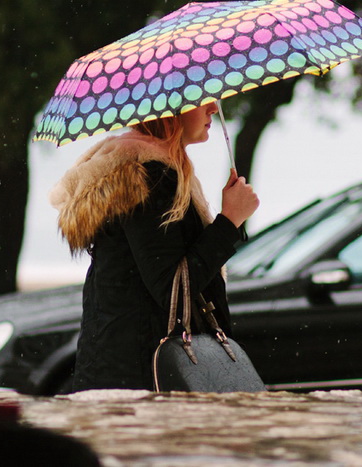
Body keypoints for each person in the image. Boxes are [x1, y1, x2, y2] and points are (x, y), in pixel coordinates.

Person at [49, 102, 259, 391]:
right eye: (201, 99)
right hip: (142, 379)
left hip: (127, 369)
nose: (213, 108)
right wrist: (229, 221)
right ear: (170, 110)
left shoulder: (155, 169)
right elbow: (174, 290)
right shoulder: (148, 175)